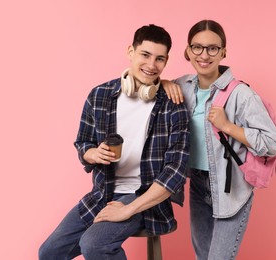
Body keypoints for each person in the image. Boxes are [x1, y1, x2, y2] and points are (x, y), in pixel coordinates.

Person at [39, 24, 190, 260]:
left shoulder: (173, 105)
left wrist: (128, 209)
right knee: (48, 253)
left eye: (160, 59)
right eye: (145, 55)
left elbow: (176, 171)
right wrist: (92, 154)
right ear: (130, 51)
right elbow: (83, 143)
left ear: (166, 61)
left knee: (94, 245)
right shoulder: (99, 95)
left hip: (144, 197)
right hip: (102, 193)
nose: (152, 65)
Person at [163, 20, 276, 260]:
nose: (204, 55)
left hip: (232, 189)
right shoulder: (181, 86)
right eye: (197, 47)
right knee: (202, 256)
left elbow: (272, 143)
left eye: (212, 48)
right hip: (197, 182)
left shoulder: (241, 94)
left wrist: (228, 126)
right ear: (187, 51)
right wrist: (164, 83)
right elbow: (142, 85)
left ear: (223, 52)